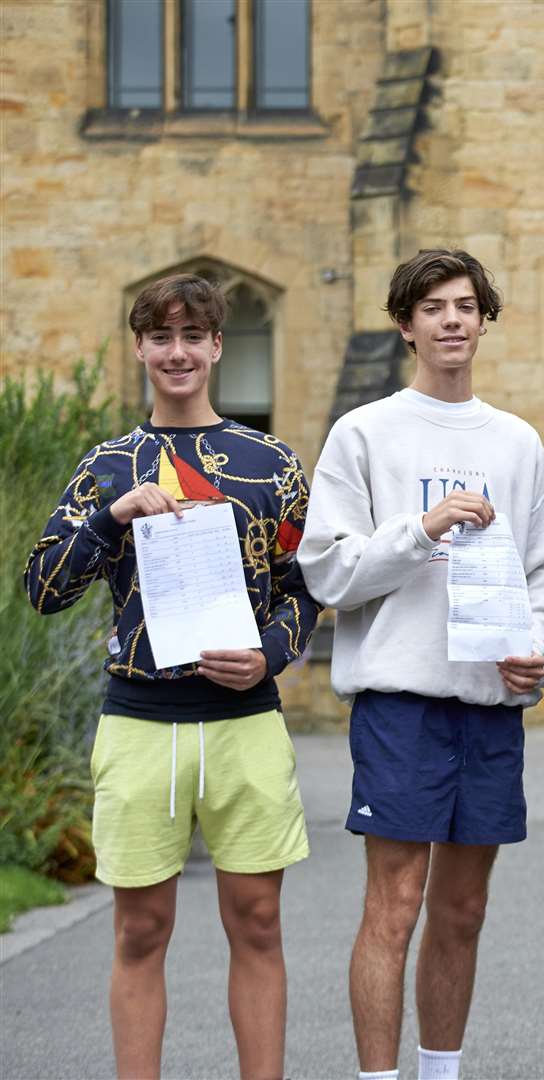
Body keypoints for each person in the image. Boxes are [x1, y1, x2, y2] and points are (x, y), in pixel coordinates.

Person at [24, 273, 317, 1080]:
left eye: (194, 337)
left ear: (218, 346)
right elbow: (43, 590)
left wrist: (270, 654)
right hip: (139, 722)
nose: (177, 352)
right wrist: (107, 518)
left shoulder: (273, 464)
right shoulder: (107, 466)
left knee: (257, 923)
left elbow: (304, 589)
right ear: (141, 347)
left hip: (244, 720)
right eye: (161, 337)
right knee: (139, 931)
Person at [297, 249, 544, 1080]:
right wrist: (421, 530)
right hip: (403, 703)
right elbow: (328, 570)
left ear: (484, 321)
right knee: (395, 906)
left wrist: (543, 654)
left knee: (463, 908)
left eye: (465, 306)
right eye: (433, 308)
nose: (451, 320)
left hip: (489, 705)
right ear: (406, 326)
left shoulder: (517, 442)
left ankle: (441, 1073)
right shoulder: (366, 432)